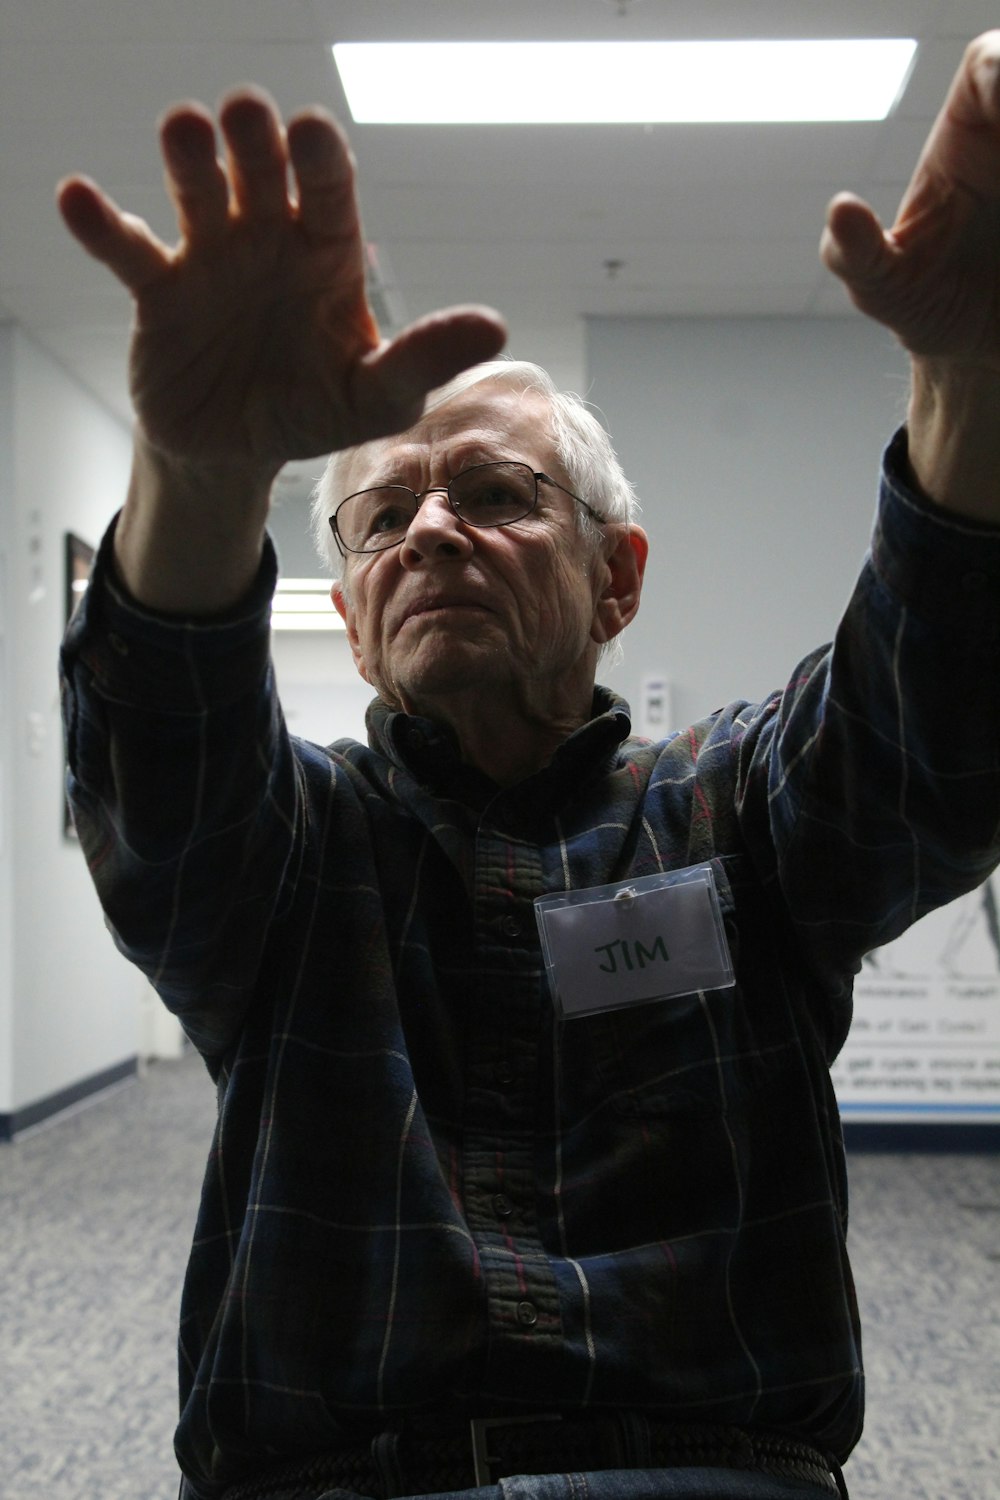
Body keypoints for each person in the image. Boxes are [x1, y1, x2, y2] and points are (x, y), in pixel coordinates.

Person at [56, 33, 1000, 1500]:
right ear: (358, 631)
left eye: (496, 495)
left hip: (707, 1476)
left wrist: (977, 377)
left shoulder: (736, 813)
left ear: (617, 581)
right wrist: (204, 471)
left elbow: (933, 735)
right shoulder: (297, 854)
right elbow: (156, 783)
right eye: (382, 521)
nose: (429, 531)